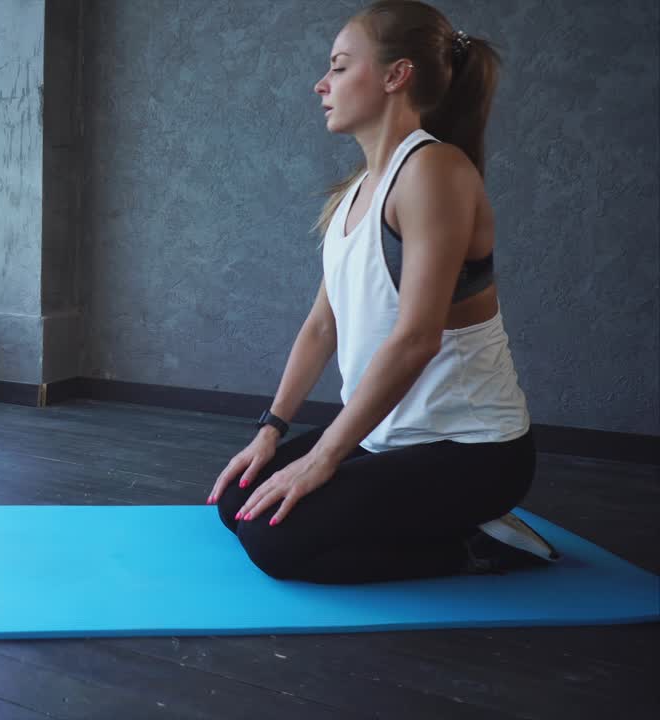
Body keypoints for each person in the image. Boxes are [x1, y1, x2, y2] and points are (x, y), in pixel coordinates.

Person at [206, 0, 559, 584]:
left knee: (275, 543)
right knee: (237, 503)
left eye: (340, 67)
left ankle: (478, 543)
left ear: (397, 76)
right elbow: (323, 325)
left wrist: (325, 457)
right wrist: (271, 431)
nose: (322, 84)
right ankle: (437, 520)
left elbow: (417, 338)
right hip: (391, 435)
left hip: (471, 450)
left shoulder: (434, 171)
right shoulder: (356, 191)